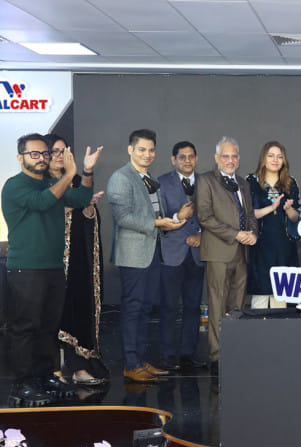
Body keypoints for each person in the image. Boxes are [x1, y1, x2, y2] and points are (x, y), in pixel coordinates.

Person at [3, 133, 97, 405]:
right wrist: (69, 174)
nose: (42, 158)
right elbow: (42, 202)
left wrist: (87, 172)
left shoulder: (52, 183)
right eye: (35, 154)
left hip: (54, 267)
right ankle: (22, 383)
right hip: (26, 269)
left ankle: (45, 376)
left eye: (45, 153)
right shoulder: (14, 185)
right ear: (20, 157)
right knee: (25, 327)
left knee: (48, 327)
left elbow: (82, 197)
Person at [108, 129, 189, 383]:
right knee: (133, 308)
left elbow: (156, 215)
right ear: (130, 150)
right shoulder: (121, 177)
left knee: (145, 308)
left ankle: (141, 361)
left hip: (153, 251)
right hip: (133, 254)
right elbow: (123, 218)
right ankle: (131, 364)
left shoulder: (149, 178)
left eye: (151, 150)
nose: (147, 154)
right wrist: (157, 223)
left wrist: (173, 220)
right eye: (142, 149)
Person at [45, 134, 109, 386]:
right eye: (55, 151)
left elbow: (90, 220)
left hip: (77, 261)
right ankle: (52, 370)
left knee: (78, 309)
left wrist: (88, 207)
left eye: (64, 151)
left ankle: (79, 367)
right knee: (50, 316)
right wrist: (62, 210)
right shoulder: (40, 185)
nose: (60, 156)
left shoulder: (76, 184)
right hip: (48, 262)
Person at [195, 136, 258, 376]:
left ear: (238, 158)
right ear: (216, 158)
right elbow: (204, 217)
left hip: (242, 253)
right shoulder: (206, 180)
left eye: (234, 156)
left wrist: (252, 234)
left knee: (237, 305)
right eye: (225, 156)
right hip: (218, 252)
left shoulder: (242, 183)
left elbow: (249, 214)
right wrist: (236, 234)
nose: (230, 160)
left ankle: (234, 351)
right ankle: (217, 356)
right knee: (217, 304)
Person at [157, 141, 208, 373]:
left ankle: (189, 354)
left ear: (196, 159)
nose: (187, 160)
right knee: (168, 306)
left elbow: (214, 214)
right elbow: (158, 218)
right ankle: (167, 355)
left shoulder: (207, 182)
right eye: (182, 157)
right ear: (173, 160)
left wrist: (202, 233)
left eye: (191, 156)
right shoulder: (161, 182)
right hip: (172, 252)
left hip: (197, 253)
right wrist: (178, 216)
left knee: (193, 306)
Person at [246, 141, 301, 308]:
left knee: (281, 297)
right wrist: (271, 208)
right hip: (260, 245)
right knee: (260, 298)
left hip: (284, 246)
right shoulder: (251, 182)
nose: (275, 160)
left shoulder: (291, 182)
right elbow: (247, 214)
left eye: (279, 157)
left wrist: (289, 209)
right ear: (263, 158)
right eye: (271, 156)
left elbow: (296, 217)